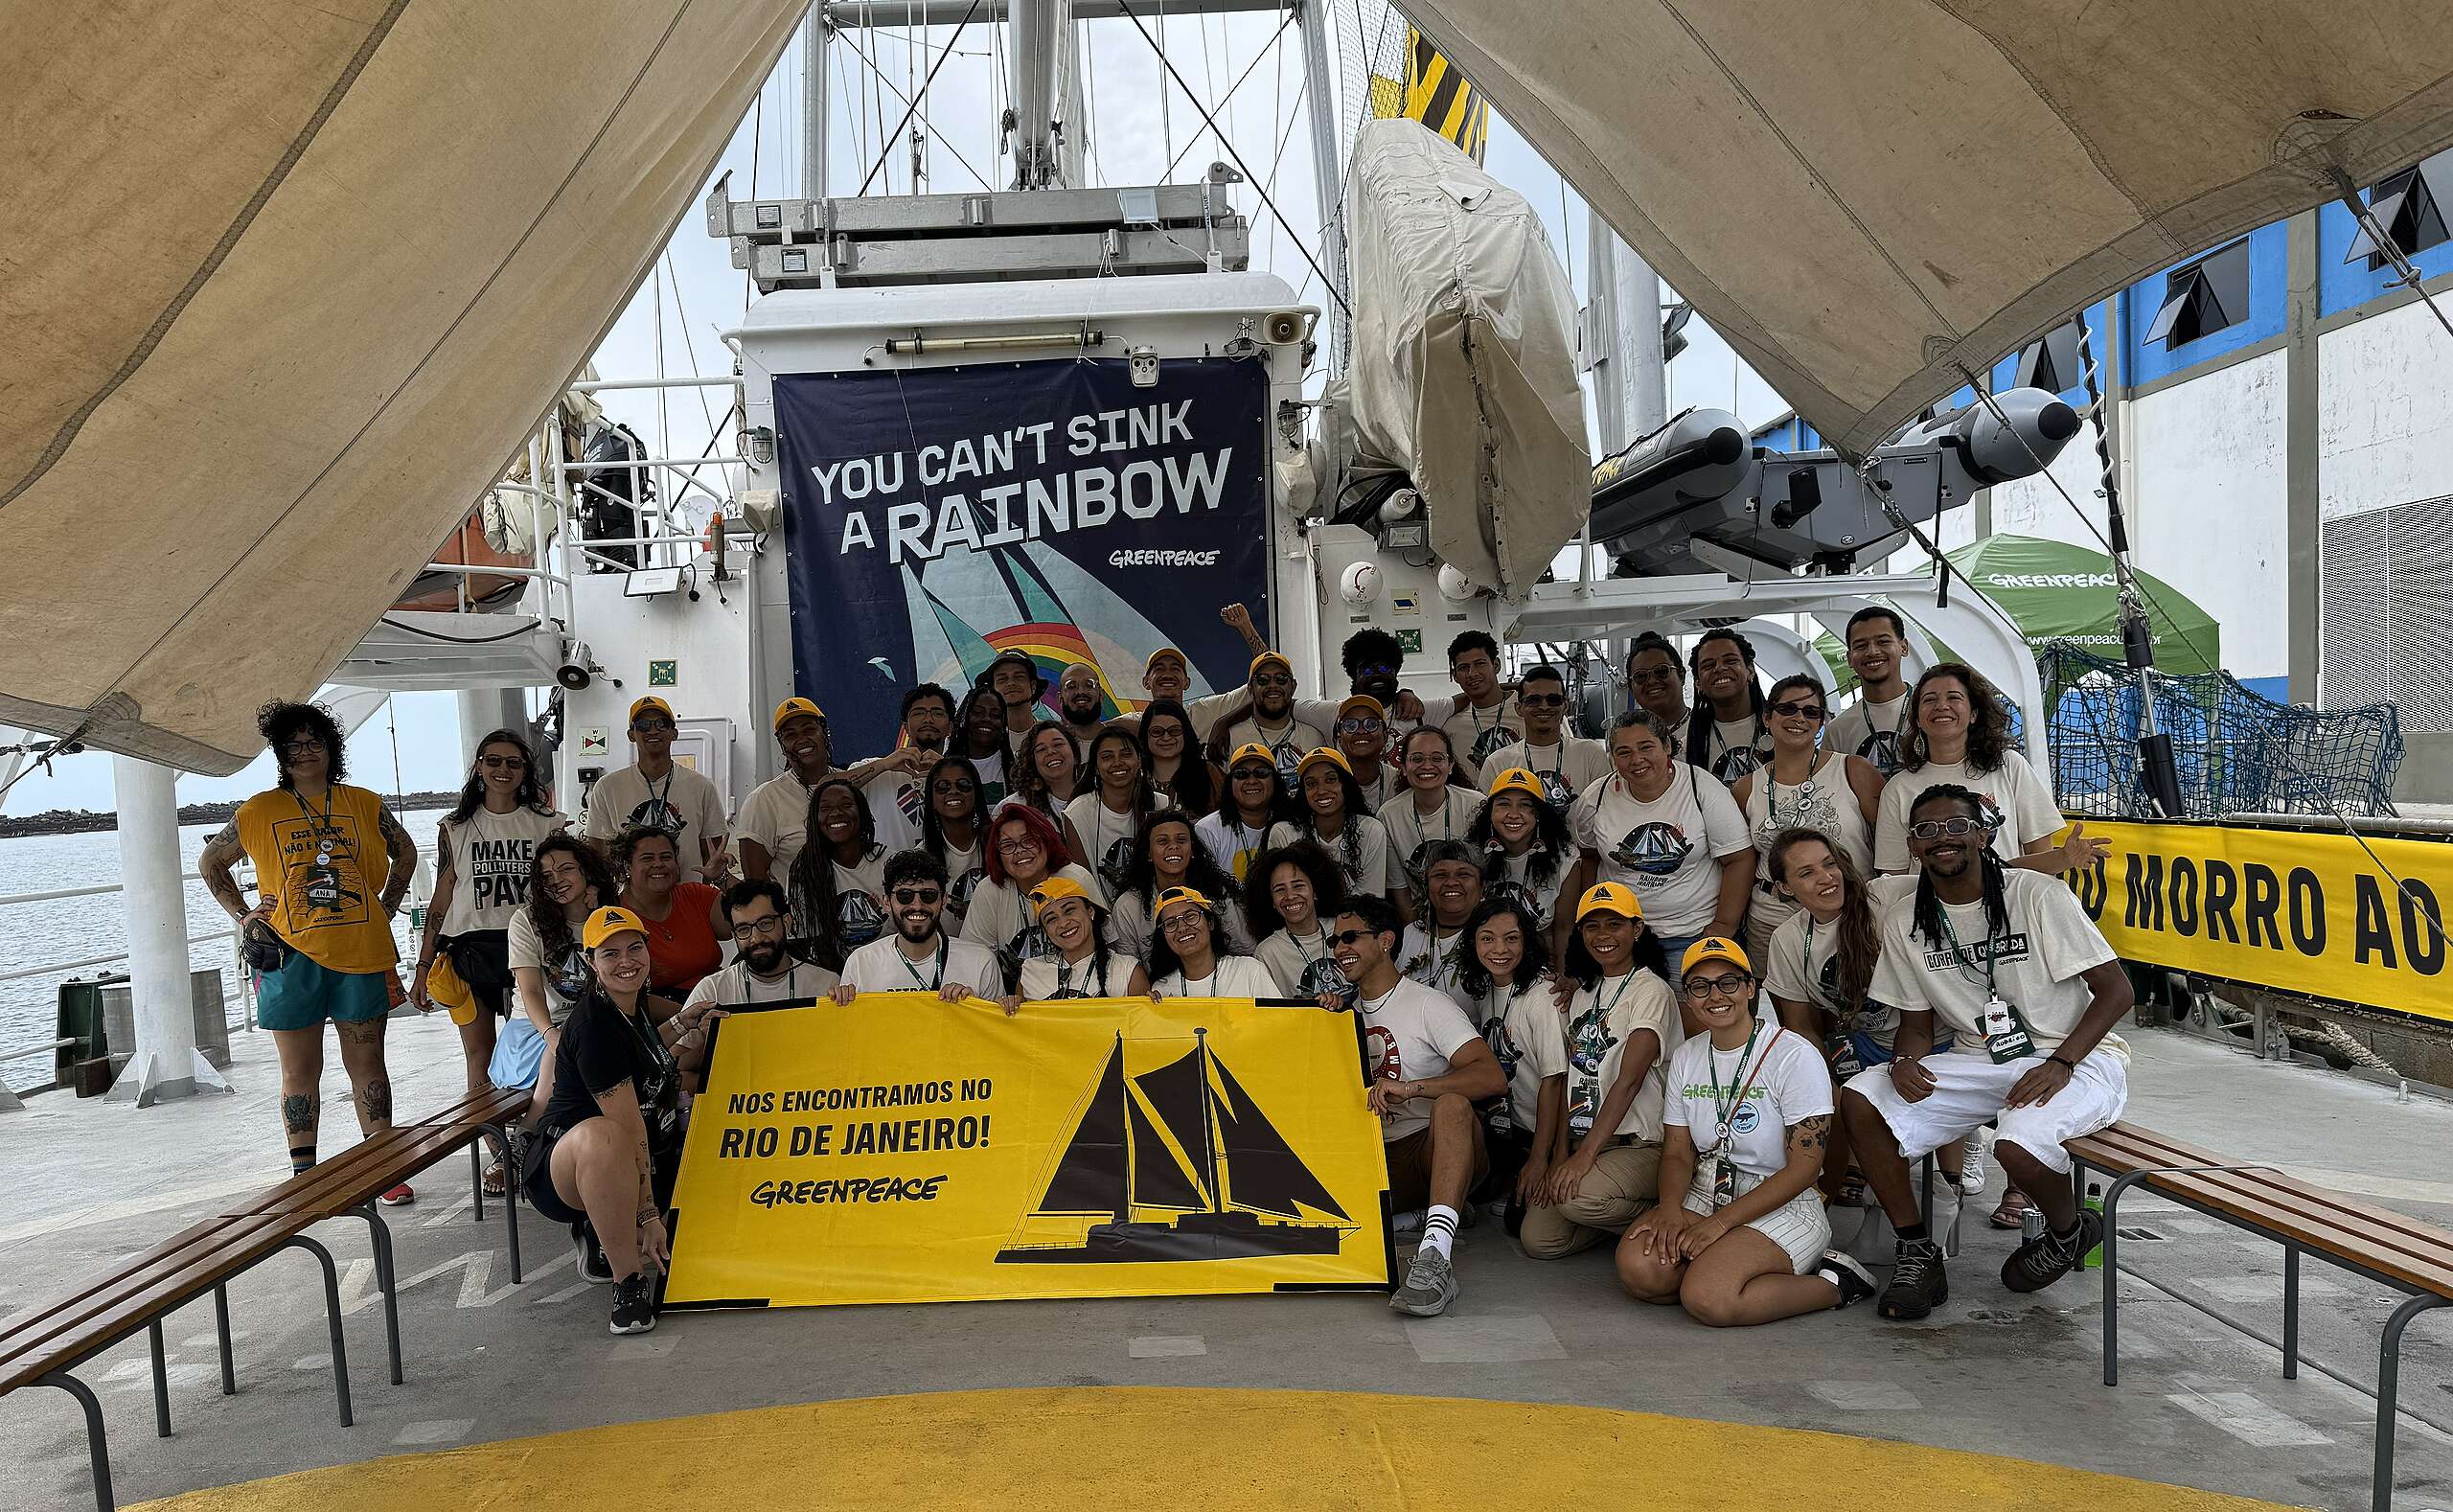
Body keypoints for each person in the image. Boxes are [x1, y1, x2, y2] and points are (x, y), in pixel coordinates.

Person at [1842, 785, 2137, 1319]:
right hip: (1981, 1056)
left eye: (1956, 825)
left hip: (2076, 1055)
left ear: (1983, 833)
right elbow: (1915, 1024)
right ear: (1912, 845)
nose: (1943, 839)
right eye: (1927, 831)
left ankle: (2069, 1231)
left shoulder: (2037, 894)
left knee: (2016, 1146)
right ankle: (1916, 1247)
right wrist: (1906, 1061)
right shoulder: (1904, 919)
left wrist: (2061, 1063)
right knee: (1862, 1097)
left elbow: (2118, 992)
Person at [199, 699, 420, 1197]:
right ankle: (305, 1174)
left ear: (331, 748)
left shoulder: (363, 802)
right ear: (280, 752)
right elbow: (212, 862)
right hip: (287, 955)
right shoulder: (258, 811)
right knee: (300, 1070)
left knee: (367, 1063)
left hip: (361, 952)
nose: (303, 752)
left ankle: (383, 1165)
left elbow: (405, 850)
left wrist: (388, 903)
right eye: (292, 745)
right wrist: (243, 915)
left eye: (313, 742)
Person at [1618, 938, 1878, 1323]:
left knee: (1709, 1299)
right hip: (1707, 1190)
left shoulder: (1793, 1053)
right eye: (1700, 986)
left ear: (1751, 988)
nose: (1715, 995)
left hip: (1781, 1200)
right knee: (1641, 1273)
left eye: (1728, 982)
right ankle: (1732, 1265)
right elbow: (1677, 1151)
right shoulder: (1689, 1055)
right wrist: (1671, 1209)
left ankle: (1837, 1282)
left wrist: (1720, 1226)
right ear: (1687, 998)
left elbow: (1805, 1168)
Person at [521, 905, 720, 1334]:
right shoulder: (595, 1024)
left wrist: (684, 1022)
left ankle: (604, 1228)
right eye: (610, 954)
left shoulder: (632, 1004)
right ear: (591, 962)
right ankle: (627, 1281)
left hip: (626, 1156)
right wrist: (648, 1214)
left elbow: (640, 1057)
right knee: (607, 1137)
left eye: (634, 948)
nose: (626, 961)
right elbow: (629, 1129)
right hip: (564, 1163)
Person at [1331, 895, 1505, 1317]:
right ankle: (1430, 1213)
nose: (1339, 950)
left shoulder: (1428, 1002)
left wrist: (1412, 1089)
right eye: (1334, 942)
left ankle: (1435, 1257)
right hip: (1374, 1161)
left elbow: (1491, 1076)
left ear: (1387, 940)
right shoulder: (1340, 1011)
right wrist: (1317, 1024)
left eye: (1351, 937)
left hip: (1427, 1148)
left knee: (1451, 1105)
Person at [1520, 882, 1683, 1260]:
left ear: (1636, 929)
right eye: (1592, 927)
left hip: (1641, 1143)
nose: (1603, 936)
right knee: (1540, 1241)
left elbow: (1629, 1080)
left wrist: (1584, 1157)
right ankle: (1622, 1226)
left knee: (1579, 1200)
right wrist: (1562, 1154)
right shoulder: (1582, 993)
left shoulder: (1651, 990)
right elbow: (1573, 1080)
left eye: (1615, 924)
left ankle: (1670, 1214)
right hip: (1590, 1139)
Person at [1760, 827, 1919, 1201]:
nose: (1825, 878)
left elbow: (1968, 876)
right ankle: (1819, 1205)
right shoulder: (1788, 938)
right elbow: (1799, 1025)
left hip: (1926, 1039)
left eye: (1829, 864)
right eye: (1806, 873)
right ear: (1784, 888)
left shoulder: (1883, 894)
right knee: (1816, 1099)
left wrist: (2056, 862)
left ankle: (1945, 1187)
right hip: (1863, 1046)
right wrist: (1822, 1081)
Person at [413, 730, 566, 1111]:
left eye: (514, 762)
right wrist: (423, 965)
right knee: (479, 1054)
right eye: (493, 760)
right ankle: (491, 1143)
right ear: (478, 766)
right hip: (471, 950)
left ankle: (533, 1131)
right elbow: (443, 895)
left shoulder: (546, 823)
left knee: (538, 1047)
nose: (503, 769)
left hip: (534, 948)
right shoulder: (455, 826)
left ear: (526, 770)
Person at [1873, 663, 2106, 881]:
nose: (1941, 706)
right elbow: (1894, 879)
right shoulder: (1897, 789)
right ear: (1918, 719)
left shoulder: (2009, 766)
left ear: (1974, 713)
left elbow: (2040, 856)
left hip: (2009, 911)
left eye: (1954, 697)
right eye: (1929, 699)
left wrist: (2064, 858)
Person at [1570, 711, 1753, 974]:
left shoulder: (1702, 789)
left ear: (1666, 746)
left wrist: (1724, 926)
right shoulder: (1595, 798)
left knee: (1690, 1012)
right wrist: (1591, 916)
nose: (1636, 760)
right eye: (1623, 752)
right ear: (1612, 758)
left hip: (1692, 933)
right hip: (1623, 938)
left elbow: (1739, 858)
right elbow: (1589, 857)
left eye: (1646, 747)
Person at [1730, 675, 1882, 964]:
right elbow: (1741, 862)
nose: (1799, 717)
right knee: (1784, 1006)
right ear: (1767, 717)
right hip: (1773, 917)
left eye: (1811, 711)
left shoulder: (1854, 770)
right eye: (1788, 709)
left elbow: (1892, 844)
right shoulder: (1745, 787)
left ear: (1822, 721)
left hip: (1849, 911)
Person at [1456, 898, 1567, 1233]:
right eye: (1487, 938)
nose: (1499, 949)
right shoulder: (1485, 990)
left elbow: (1555, 1081)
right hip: (1505, 1130)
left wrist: (1539, 1158)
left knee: (1517, 1226)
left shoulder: (1543, 996)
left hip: (1541, 1134)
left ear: (1527, 941)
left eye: (1511, 938)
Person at [506, 834, 620, 1134]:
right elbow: (530, 990)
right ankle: (528, 1135)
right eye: (546, 875)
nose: (556, 880)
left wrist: (596, 915)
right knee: (569, 1043)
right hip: (534, 1031)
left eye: (566, 869)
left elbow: (615, 983)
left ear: (586, 871)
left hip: (590, 1024)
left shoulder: (607, 916)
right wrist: (550, 1034)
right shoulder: (526, 922)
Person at [738, 697, 920, 880]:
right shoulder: (764, 799)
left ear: (825, 734)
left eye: (809, 730)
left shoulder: (856, 783)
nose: (802, 739)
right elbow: (755, 880)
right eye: (790, 735)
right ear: (782, 747)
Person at [584, 697, 729, 882]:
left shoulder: (701, 786)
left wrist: (703, 894)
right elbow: (598, 856)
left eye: (662, 724)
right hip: (630, 903)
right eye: (643, 725)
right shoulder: (607, 787)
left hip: (687, 898)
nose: (653, 730)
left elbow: (712, 855)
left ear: (674, 733)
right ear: (631, 734)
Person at [835, 850, 1007, 998]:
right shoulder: (860, 963)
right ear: (887, 902)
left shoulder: (980, 961)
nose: (917, 905)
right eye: (905, 896)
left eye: (929, 895)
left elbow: (995, 1032)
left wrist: (972, 1008)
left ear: (944, 900)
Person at [964, 804, 1102, 973]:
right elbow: (973, 960)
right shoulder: (989, 890)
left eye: (1029, 841)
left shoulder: (1076, 879)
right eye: (1007, 845)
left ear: (1046, 841)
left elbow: (1107, 944)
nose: (1019, 851)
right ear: (997, 854)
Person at [1112, 810, 1249, 962]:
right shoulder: (1127, 906)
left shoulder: (1218, 892)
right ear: (1148, 853)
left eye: (1181, 840)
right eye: (1163, 841)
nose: (1173, 846)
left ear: (1192, 850)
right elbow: (1129, 971)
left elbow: (1245, 952)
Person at [1471, 767, 1576, 963]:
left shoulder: (1566, 858)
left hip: (1543, 961)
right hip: (1485, 961)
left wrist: (1564, 974)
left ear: (1539, 814)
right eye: (1503, 804)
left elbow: (1564, 928)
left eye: (1525, 805)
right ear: (1490, 812)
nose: (1514, 814)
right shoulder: (1472, 856)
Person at [783, 776, 889, 969]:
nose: (836, 813)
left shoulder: (890, 862)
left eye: (846, 805)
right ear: (815, 820)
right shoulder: (805, 870)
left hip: (890, 971)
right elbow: (806, 942)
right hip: (835, 978)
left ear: (862, 812)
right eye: (825, 808)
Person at [688, 879, 838, 1010]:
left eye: (765, 923)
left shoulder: (827, 985)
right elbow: (678, 1043)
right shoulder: (712, 991)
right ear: (734, 936)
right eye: (743, 929)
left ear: (786, 923)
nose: (756, 938)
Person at [613, 825, 724, 997]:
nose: (658, 864)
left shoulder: (695, 895)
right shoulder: (616, 917)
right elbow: (627, 997)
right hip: (665, 1016)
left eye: (666, 857)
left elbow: (753, 921)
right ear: (628, 867)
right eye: (647, 858)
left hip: (718, 998)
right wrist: (687, 1015)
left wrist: (722, 877)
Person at [1266, 747, 1390, 902]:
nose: (1321, 790)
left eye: (1331, 780)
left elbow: (1372, 900)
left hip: (1357, 922)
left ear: (1346, 784)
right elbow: (1280, 897)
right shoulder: (1283, 833)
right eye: (1311, 784)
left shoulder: (1371, 830)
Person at [1479, 664, 1608, 813]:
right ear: (1518, 708)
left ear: (1565, 706)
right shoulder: (1497, 763)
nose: (1544, 706)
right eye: (1534, 700)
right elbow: (1486, 819)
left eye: (1553, 699)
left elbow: (1606, 811)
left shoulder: (1590, 754)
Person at [1379, 727, 1480, 910]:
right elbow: (1399, 888)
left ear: (1450, 765)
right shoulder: (1388, 815)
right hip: (1420, 916)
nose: (1427, 766)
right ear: (1402, 767)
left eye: (1437, 758)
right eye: (1417, 759)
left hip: (1473, 912)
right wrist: (1414, 933)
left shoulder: (1476, 805)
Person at [1003, 877, 1149, 1003]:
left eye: (1069, 910)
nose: (1063, 923)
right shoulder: (1030, 972)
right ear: (1046, 931)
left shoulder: (1128, 971)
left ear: (1090, 911)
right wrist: (1008, 1006)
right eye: (1051, 919)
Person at [1244, 841, 1353, 1004]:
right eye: (1280, 890)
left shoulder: (1343, 928)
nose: (1290, 896)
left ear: (1315, 891)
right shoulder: (1267, 952)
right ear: (1272, 901)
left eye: (1298, 886)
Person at [1214, 649, 1331, 790]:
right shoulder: (1231, 738)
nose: (1273, 686)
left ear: (1293, 686)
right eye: (1263, 680)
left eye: (1281, 679)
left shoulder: (1314, 737)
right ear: (1250, 689)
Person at [1065, 726, 1155, 895]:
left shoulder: (1160, 804)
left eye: (1126, 754)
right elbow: (1084, 881)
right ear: (1096, 767)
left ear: (1139, 761)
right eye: (1107, 757)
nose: (1117, 762)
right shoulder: (1077, 813)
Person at [1145, 885, 1280, 998]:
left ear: (1210, 923)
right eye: (1171, 923)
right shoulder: (1161, 989)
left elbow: (1277, 1023)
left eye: (1190, 916)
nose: (1182, 928)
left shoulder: (1249, 971)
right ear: (1164, 936)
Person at [1824, 606, 1914, 775]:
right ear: (1850, 658)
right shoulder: (1838, 729)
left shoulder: (1929, 713)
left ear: (1904, 647)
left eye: (1883, 642)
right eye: (1861, 645)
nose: (1872, 651)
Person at [864, 684, 957, 847]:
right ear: (906, 726)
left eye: (937, 713)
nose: (928, 719)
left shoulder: (962, 775)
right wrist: (884, 764)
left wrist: (946, 771)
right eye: (919, 713)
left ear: (950, 727)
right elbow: (825, 787)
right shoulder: (875, 768)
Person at [1398, 839, 1483, 1011]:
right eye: (1440, 875)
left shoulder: (1492, 938)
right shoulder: (1410, 933)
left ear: (1483, 887)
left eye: (1463, 874)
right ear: (1427, 887)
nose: (1451, 882)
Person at [1686, 629, 1771, 783]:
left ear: (1750, 670)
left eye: (1731, 661)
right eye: (1708, 665)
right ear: (1698, 682)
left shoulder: (1779, 725)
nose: (1719, 668)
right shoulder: (1689, 742)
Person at [1440, 630, 1524, 784]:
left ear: (1496, 665)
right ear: (1455, 675)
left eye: (1480, 664)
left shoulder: (1529, 709)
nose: (1472, 673)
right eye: (1463, 667)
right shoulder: (1450, 725)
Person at [1196, 743, 1286, 883]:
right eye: (1241, 774)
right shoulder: (1207, 829)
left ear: (1275, 780)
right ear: (1230, 783)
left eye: (1261, 773)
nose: (1251, 781)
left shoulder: (1291, 826)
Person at [919, 754, 989, 932]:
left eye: (963, 785)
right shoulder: (920, 858)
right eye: (942, 787)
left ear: (976, 793)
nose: (953, 791)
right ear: (931, 799)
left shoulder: (999, 843)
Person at [1135, 698, 1220, 816]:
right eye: (1157, 731)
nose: (1166, 737)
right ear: (1145, 735)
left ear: (1185, 733)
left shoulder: (1209, 773)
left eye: (1174, 731)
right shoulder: (1135, 777)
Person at [1007, 721, 1084, 831]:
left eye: (1058, 744)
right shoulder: (1016, 806)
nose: (1051, 752)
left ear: (1075, 755)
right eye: (1041, 749)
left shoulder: (1098, 794)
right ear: (1033, 763)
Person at [1333, 695, 1401, 812]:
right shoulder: (1328, 783)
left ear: (1385, 736)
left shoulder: (1399, 782)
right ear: (1340, 740)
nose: (1361, 731)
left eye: (1371, 724)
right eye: (1350, 725)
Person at [952, 686, 1014, 807]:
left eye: (995, 715)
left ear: (1003, 723)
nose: (986, 719)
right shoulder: (946, 765)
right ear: (964, 718)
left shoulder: (1016, 767)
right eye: (978, 713)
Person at [1625, 632, 1689, 732]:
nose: (1651, 681)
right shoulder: (1625, 740)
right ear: (1631, 688)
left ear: (1681, 675)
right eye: (1641, 676)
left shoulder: (1709, 729)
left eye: (1661, 671)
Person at [985, 649, 1048, 745]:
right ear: (993, 690)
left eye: (1019, 677)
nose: (1011, 683)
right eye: (1002, 679)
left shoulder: (1052, 736)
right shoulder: (984, 742)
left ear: (1033, 686)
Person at [1052, 661, 1109, 760]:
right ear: (1060, 699)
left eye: (1089, 685)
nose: (1081, 691)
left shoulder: (1121, 740)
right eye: (1071, 686)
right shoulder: (1053, 749)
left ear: (1101, 694)